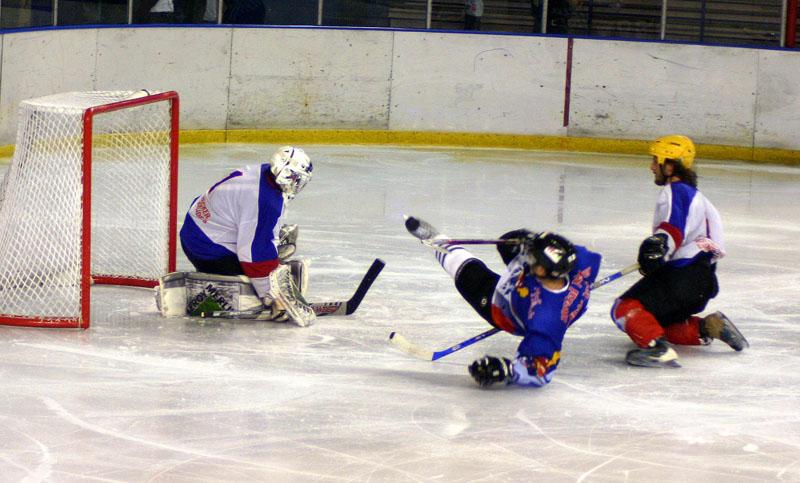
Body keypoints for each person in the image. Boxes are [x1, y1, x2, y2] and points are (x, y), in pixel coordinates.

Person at [405, 216, 602, 388]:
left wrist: (508, 370)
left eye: (535, 257)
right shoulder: (579, 264)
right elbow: (586, 256)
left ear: (543, 272)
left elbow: (542, 371)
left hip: (502, 309)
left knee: (466, 271)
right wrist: (527, 237)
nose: (530, 256)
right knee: (509, 245)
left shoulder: (545, 320)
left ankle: (439, 243)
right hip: (532, 297)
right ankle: (440, 241)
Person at [611, 135, 749, 368]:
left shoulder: (675, 191)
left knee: (624, 309)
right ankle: (706, 327)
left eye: (656, 161)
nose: (652, 166)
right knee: (654, 322)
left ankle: (657, 350)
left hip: (683, 277)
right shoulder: (700, 199)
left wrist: (658, 248)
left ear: (670, 165)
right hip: (703, 281)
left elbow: (671, 228)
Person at [178, 146, 315, 326]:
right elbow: (252, 255)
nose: (298, 184)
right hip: (207, 251)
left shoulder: (262, 172)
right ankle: (226, 280)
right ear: (286, 174)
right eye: (296, 178)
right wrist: (272, 296)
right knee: (264, 256)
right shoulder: (266, 201)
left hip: (194, 230)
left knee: (278, 238)